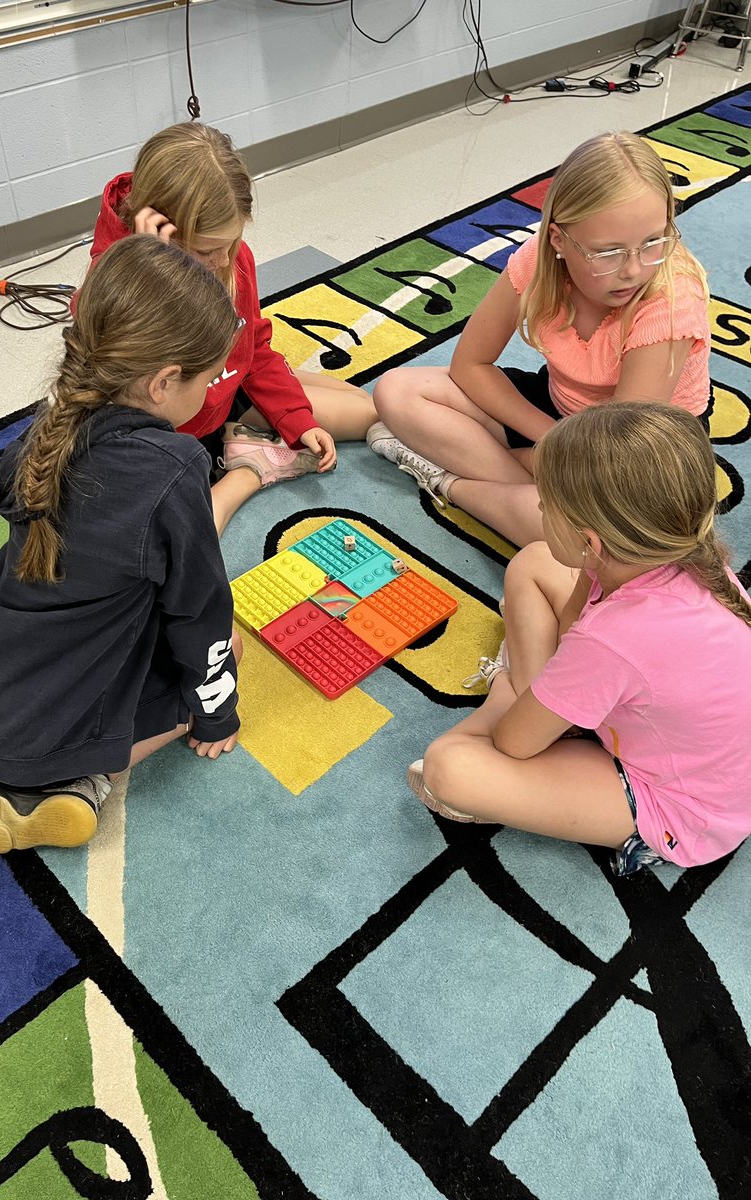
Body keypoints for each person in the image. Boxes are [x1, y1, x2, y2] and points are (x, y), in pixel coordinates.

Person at [0, 236, 246, 854]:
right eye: (208, 380)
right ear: (164, 382)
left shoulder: (48, 429)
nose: (211, 394)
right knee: (225, 650)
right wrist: (215, 713)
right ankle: (80, 781)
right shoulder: (174, 468)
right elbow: (199, 613)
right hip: (46, 736)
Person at [407, 403, 751, 876]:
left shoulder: (615, 637)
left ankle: (519, 695)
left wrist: (513, 696)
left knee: (449, 768)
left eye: (545, 508)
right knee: (531, 561)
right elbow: (573, 625)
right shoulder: (669, 556)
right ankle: (556, 708)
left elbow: (514, 743)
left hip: (687, 808)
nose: (540, 512)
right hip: (699, 744)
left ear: (591, 542)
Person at [369, 131, 711, 547]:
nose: (634, 270)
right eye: (608, 252)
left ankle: (456, 484)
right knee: (397, 389)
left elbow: (619, 450)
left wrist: (518, 457)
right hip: (563, 419)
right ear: (558, 240)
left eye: (653, 242)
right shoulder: (538, 259)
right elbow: (470, 364)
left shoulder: (671, 301)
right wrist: (550, 441)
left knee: (609, 542)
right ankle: (543, 506)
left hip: (640, 453)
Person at [84, 122, 377, 534]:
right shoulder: (117, 281)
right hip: (167, 438)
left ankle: (250, 436)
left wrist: (298, 420)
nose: (224, 261)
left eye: (232, 242)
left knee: (371, 410)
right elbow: (104, 371)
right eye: (207, 250)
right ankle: (249, 469)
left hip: (222, 397)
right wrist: (148, 270)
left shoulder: (231, 260)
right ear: (159, 233)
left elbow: (253, 349)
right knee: (183, 532)